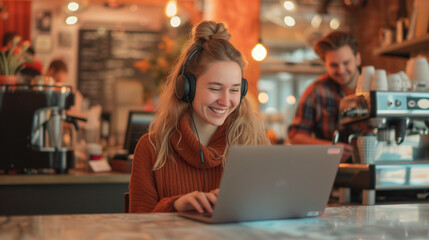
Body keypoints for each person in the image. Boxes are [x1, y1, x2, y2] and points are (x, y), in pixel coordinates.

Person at [129, 20, 270, 213]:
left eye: (235, 90)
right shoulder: (151, 148)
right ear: (186, 88)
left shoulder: (254, 142)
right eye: (215, 88)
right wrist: (175, 205)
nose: (225, 100)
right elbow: (137, 227)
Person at [287, 31, 363, 163]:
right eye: (333, 65)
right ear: (325, 64)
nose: (341, 70)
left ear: (358, 59)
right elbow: (296, 137)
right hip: (332, 172)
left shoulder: (378, 85)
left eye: (346, 63)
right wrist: (330, 148)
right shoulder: (316, 91)